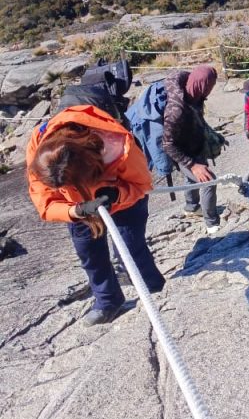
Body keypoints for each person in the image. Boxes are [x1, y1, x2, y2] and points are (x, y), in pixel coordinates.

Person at [27, 104, 165, 326]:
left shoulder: (119, 146)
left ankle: (152, 286)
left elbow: (142, 184)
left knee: (131, 246)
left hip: (124, 202)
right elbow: (44, 202)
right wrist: (75, 211)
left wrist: (117, 194)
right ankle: (108, 301)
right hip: (79, 209)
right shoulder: (40, 146)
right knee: (89, 254)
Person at [162, 66, 223, 233]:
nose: (210, 90)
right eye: (209, 86)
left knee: (193, 179)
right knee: (209, 181)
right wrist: (192, 165)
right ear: (200, 84)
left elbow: (197, 118)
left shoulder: (195, 93)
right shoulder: (176, 110)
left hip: (195, 146)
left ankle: (191, 207)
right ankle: (212, 224)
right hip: (182, 152)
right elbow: (167, 144)